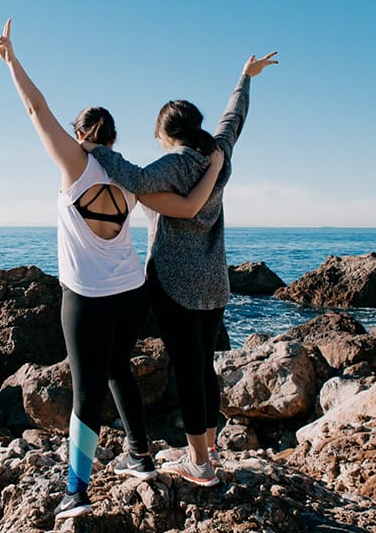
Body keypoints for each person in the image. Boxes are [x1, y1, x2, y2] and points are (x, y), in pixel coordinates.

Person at [0, 19, 225, 519]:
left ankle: (76, 492)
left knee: (85, 390)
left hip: (89, 297)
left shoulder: (77, 165)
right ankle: (139, 456)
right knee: (119, 369)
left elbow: (36, 109)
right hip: (132, 293)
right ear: (115, 135)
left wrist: (12, 60)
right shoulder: (130, 175)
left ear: (80, 135)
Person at [81, 51, 278, 486]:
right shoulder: (217, 153)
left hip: (172, 280)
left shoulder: (174, 163)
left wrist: (94, 149)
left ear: (164, 132)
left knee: (186, 369)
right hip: (214, 278)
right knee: (203, 365)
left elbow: (130, 177)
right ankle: (208, 449)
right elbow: (234, 119)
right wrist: (245, 77)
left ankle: (200, 463)